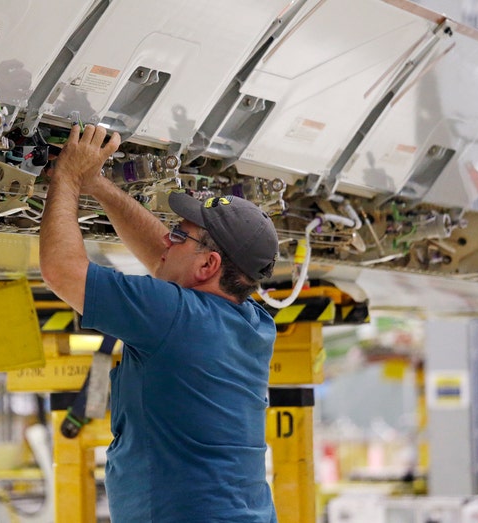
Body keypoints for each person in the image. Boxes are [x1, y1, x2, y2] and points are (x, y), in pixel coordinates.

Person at [40, 123, 279, 522]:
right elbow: (163, 259)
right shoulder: (251, 323)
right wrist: (95, 184)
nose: (167, 240)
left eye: (179, 236)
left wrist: (66, 175)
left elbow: (61, 269)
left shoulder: (173, 316)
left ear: (209, 264)